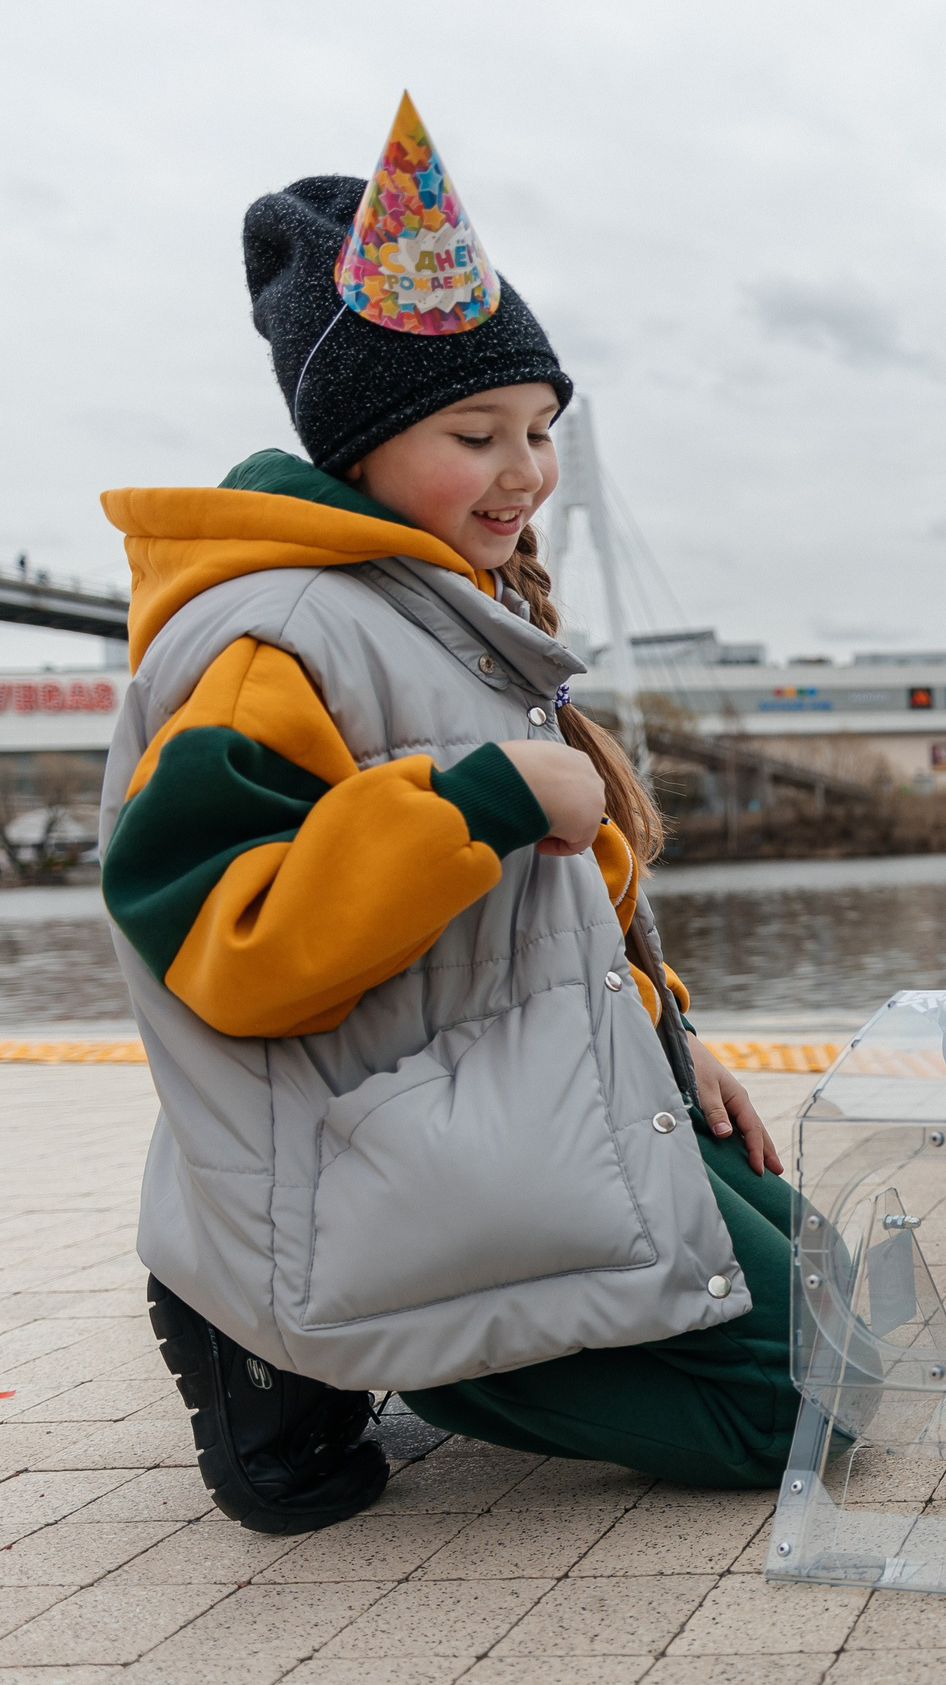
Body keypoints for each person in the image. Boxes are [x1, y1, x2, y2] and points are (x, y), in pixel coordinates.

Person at [98, 96, 800, 1534]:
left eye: (539, 430)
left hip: (521, 1111)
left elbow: (554, 918)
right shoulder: (276, 636)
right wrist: (473, 801)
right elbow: (228, 946)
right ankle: (287, 1329)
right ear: (356, 440)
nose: (527, 473)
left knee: (846, 1310)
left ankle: (385, 1328)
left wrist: (674, 1042)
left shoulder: (452, 623)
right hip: (407, 1155)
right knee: (801, 1402)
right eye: (477, 431)